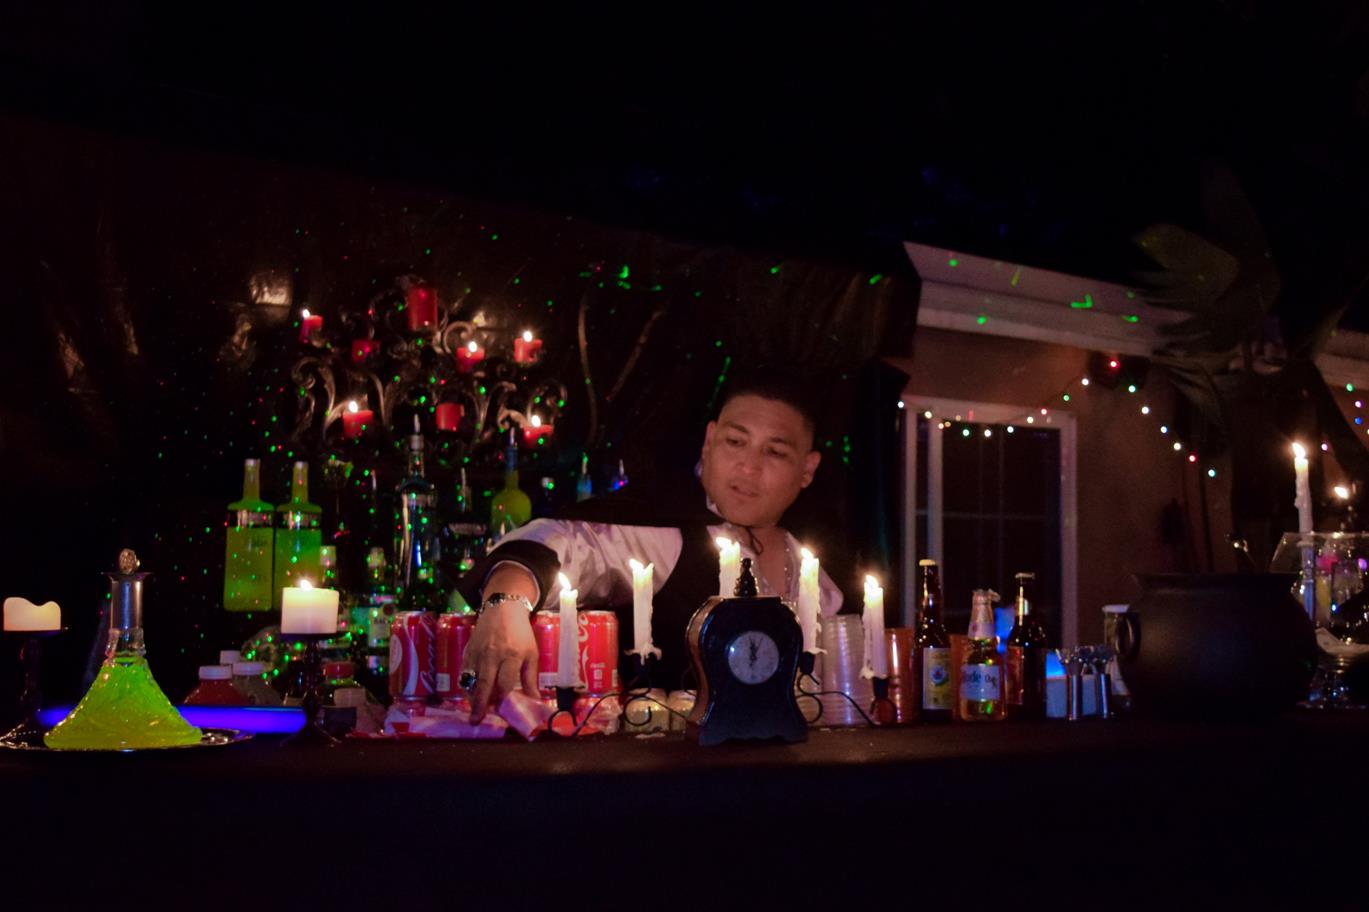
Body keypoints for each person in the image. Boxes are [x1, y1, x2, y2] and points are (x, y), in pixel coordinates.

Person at [453, 368, 844, 722]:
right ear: (709, 441)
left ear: (807, 469)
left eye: (774, 451)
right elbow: (560, 543)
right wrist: (505, 605)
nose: (749, 466)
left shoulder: (821, 562)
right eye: (735, 441)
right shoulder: (665, 528)